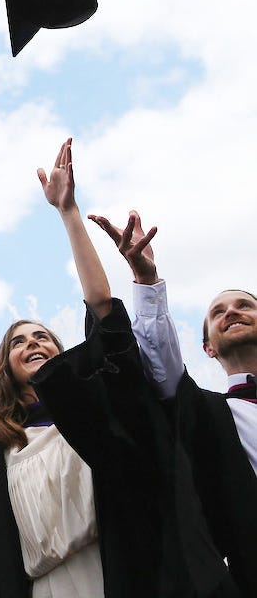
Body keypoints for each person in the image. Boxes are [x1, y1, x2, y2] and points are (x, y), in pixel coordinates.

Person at [0, 139, 235, 598]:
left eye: (42, 336)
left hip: (119, 571)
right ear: (5, 367)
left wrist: (68, 213)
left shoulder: (93, 415)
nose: (32, 343)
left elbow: (106, 319)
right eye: (19, 341)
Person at [89, 210, 257, 593]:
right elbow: (163, 371)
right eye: (218, 312)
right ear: (208, 348)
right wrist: (147, 281)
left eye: (244, 305)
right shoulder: (210, 414)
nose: (231, 310)